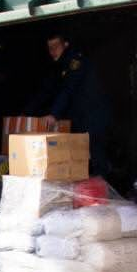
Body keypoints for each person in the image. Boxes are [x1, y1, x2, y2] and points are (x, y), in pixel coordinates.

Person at [40, 31, 113, 178]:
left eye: (56, 46)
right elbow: (47, 91)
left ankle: (104, 193)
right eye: (50, 48)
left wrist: (54, 114)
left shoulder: (75, 62)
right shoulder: (62, 66)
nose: (52, 51)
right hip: (83, 118)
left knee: (96, 157)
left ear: (65, 45)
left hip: (93, 118)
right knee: (86, 159)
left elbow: (69, 89)